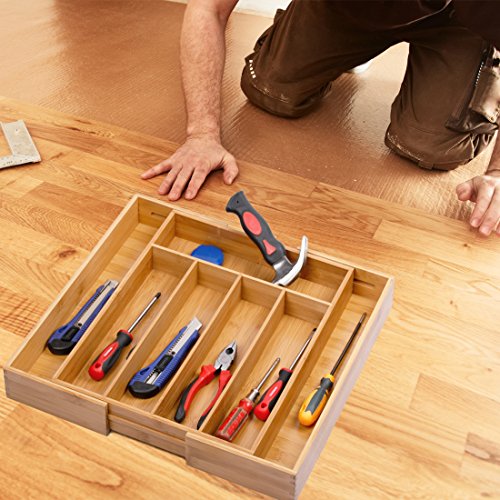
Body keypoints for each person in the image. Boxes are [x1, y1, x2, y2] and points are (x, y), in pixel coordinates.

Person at [141, 0, 500, 237]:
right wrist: (201, 134)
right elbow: (208, 9)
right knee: (270, 89)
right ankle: (348, 42)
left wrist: (497, 173)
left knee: (430, 146)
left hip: (453, 23)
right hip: (342, 8)